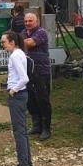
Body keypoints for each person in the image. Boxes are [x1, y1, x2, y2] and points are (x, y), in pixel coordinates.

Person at [1, 30, 33, 166]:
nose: (2, 45)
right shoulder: (20, 53)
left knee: (19, 130)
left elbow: (24, 78)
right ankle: (27, 162)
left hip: (18, 95)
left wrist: (13, 90)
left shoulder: (15, 56)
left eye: (4, 42)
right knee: (23, 130)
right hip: (21, 94)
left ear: (12, 42)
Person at [23, 11, 52, 140]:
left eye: (30, 21)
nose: (28, 23)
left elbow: (30, 43)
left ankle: (46, 128)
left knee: (43, 100)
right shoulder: (23, 33)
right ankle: (37, 125)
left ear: (37, 21)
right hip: (27, 72)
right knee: (31, 100)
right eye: (26, 21)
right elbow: (19, 43)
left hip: (41, 71)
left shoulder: (41, 32)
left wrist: (17, 42)